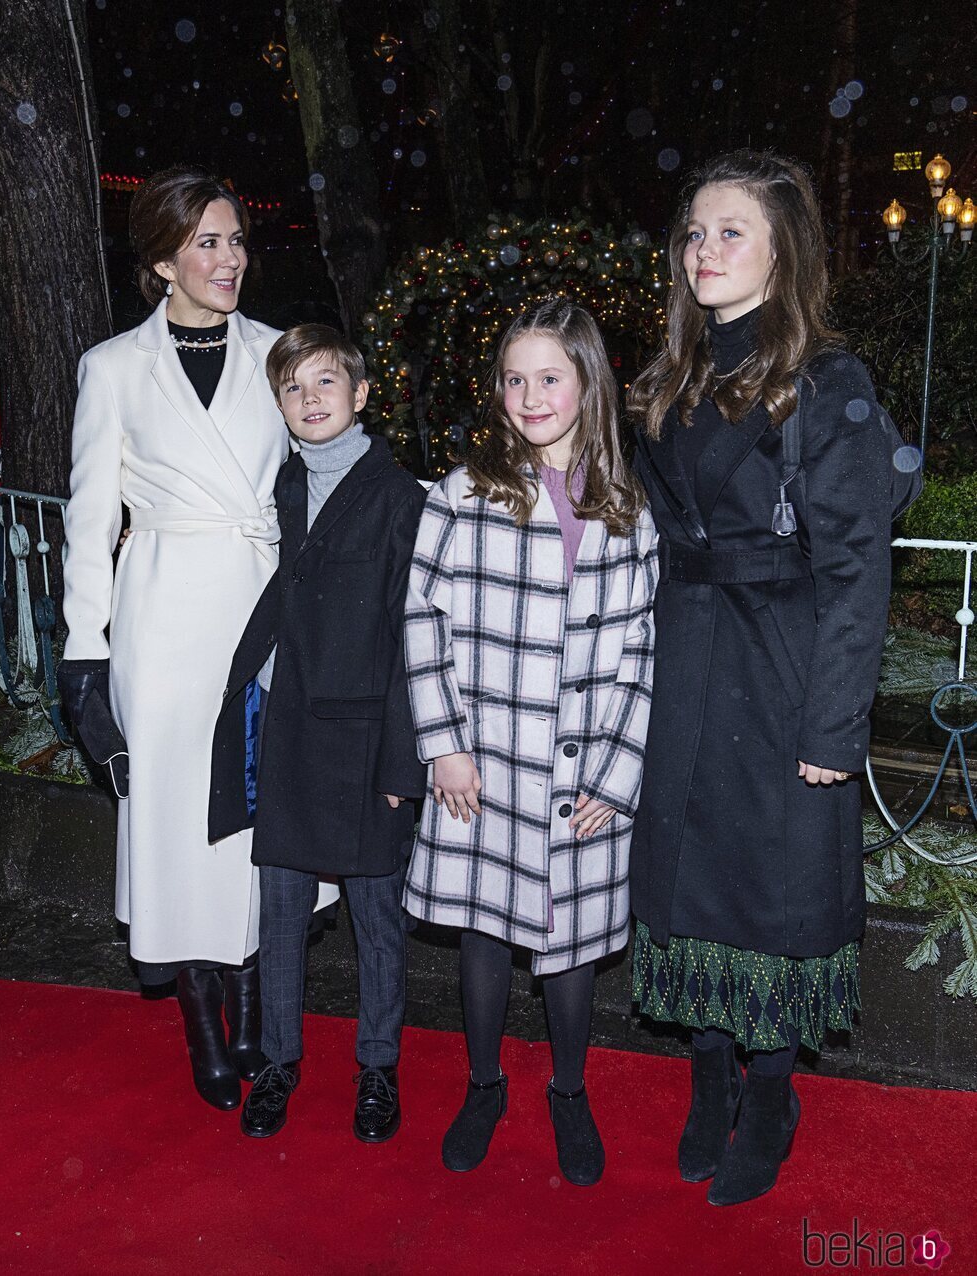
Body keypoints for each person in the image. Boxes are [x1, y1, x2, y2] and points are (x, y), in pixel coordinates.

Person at [627, 150, 896, 1206]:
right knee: (688, 880)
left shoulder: (825, 383)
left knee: (771, 892)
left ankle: (771, 1090)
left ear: (781, 248)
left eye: (728, 230)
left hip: (780, 669)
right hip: (684, 660)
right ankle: (705, 1076)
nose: (703, 249)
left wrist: (833, 729)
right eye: (693, 230)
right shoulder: (670, 377)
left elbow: (854, 570)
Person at [58, 167, 338, 1112]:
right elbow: (89, 519)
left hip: (259, 611)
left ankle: (259, 1008)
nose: (229, 259)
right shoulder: (110, 368)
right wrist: (82, 652)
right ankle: (200, 1020)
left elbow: (322, 464)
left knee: (256, 814)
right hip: (165, 618)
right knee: (181, 822)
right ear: (163, 257)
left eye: (237, 241)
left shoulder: (276, 354)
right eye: (209, 242)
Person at [404, 297, 658, 1186]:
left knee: (574, 945)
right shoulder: (465, 493)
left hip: (585, 765)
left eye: (550, 377)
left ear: (590, 383)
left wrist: (618, 775)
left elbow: (641, 650)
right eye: (514, 378)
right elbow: (421, 620)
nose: (530, 394)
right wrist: (443, 745)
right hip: (488, 759)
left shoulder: (627, 504)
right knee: (484, 928)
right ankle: (483, 1083)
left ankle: (570, 1090)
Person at [208, 324, 426, 1143]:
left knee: (378, 921)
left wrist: (404, 761)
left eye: (325, 383)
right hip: (295, 733)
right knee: (280, 915)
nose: (310, 400)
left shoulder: (403, 499)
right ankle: (279, 1063)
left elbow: (417, 640)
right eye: (293, 389)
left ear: (361, 394)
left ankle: (378, 1071)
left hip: (368, 745)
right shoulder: (283, 489)